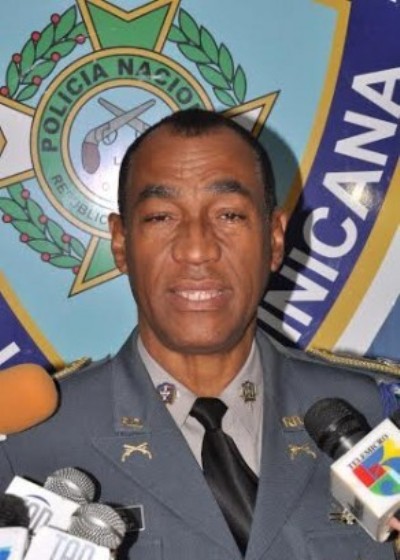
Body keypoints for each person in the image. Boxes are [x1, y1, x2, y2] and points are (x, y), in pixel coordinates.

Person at [0, 109, 397, 559]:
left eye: (229, 215)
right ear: (120, 242)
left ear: (274, 239)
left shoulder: (376, 419)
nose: (196, 249)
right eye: (161, 217)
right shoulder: (33, 446)